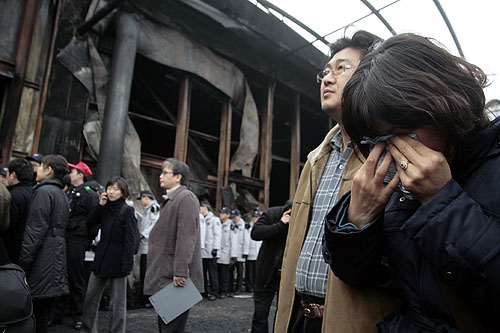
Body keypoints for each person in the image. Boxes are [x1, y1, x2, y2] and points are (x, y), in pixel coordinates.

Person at [323, 33, 499, 332]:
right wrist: (356, 220)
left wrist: (442, 200)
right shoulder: (399, 187)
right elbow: (357, 274)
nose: (395, 149)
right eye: (379, 139)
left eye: (403, 132)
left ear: (446, 105)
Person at [275, 30, 396, 333]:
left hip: (350, 322)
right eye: (325, 72)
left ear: (371, 75)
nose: (327, 79)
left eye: (341, 68)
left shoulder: (389, 156)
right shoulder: (317, 158)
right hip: (300, 319)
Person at [144, 158, 203, 333]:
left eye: (165, 172)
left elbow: (186, 238)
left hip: (174, 276)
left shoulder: (185, 198)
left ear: (178, 177)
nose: (160, 176)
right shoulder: (172, 199)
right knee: (167, 324)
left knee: (171, 327)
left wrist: (180, 271)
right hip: (167, 273)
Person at [18, 154, 70, 333]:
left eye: (40, 166)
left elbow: (35, 229)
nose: (36, 170)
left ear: (49, 170)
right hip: (56, 256)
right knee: (42, 313)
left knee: (35, 313)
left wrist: (23, 261)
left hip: (42, 257)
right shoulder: (60, 193)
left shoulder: (43, 191)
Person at [82, 176, 137, 333]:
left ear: (122, 192)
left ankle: (117, 330)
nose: (111, 192)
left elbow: (130, 239)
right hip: (101, 258)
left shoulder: (127, 210)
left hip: (119, 260)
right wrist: (100, 206)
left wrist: (127, 263)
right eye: (109, 188)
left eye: (115, 189)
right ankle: (88, 328)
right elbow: (89, 223)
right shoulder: (104, 208)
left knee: (117, 303)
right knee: (90, 297)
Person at [50, 161, 99, 329]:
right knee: (61, 275)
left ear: (81, 175)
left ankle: (78, 314)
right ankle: (57, 313)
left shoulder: (89, 194)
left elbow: (94, 219)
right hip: (66, 236)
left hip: (78, 239)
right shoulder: (70, 191)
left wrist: (87, 236)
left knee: (76, 277)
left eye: (73, 171)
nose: (70, 174)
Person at [251, 200, 292, 333]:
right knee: (260, 314)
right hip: (266, 272)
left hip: (288, 276)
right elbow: (255, 233)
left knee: (284, 315)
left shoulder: (304, 218)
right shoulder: (273, 213)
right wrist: (280, 224)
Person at [1, 158, 33, 264]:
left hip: (10, 248)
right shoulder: (32, 192)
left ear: (13, 175)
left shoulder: (14, 196)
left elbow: (7, 225)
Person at [136, 189, 160, 307]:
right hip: (145, 246)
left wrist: (144, 234)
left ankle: (150, 298)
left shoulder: (154, 208)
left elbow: (155, 224)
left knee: (148, 273)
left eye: (141, 199)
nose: (141, 201)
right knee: (144, 272)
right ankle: (145, 297)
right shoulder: (148, 209)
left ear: (146, 197)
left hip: (150, 246)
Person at [200, 200, 222, 300]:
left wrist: (216, 248)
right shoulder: (201, 219)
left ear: (206, 207)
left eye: (201, 206)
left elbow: (218, 235)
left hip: (211, 250)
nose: (200, 208)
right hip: (202, 251)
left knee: (212, 273)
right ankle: (203, 291)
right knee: (202, 272)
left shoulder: (214, 220)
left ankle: (214, 292)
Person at [228, 208, 249, 295]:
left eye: (235, 217)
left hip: (240, 251)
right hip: (232, 252)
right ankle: (230, 288)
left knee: (240, 272)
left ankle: (238, 288)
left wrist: (245, 252)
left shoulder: (245, 225)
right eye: (233, 217)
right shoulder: (230, 224)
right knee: (231, 271)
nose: (234, 219)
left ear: (239, 216)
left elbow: (246, 239)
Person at [217, 207, 232, 298]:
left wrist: (233, 255)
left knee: (225, 274)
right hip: (219, 252)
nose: (221, 215)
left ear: (228, 215)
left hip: (226, 252)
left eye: (223, 213)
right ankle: (219, 290)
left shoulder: (231, 226)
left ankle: (224, 291)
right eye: (220, 213)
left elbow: (233, 241)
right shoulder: (219, 224)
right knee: (219, 272)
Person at [245, 211, 261, 293]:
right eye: (254, 217)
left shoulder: (261, 227)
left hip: (258, 253)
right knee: (249, 272)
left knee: (257, 272)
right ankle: (249, 287)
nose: (255, 218)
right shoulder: (249, 228)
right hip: (250, 253)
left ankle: (255, 286)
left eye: (257, 217)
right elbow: (246, 241)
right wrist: (246, 252)